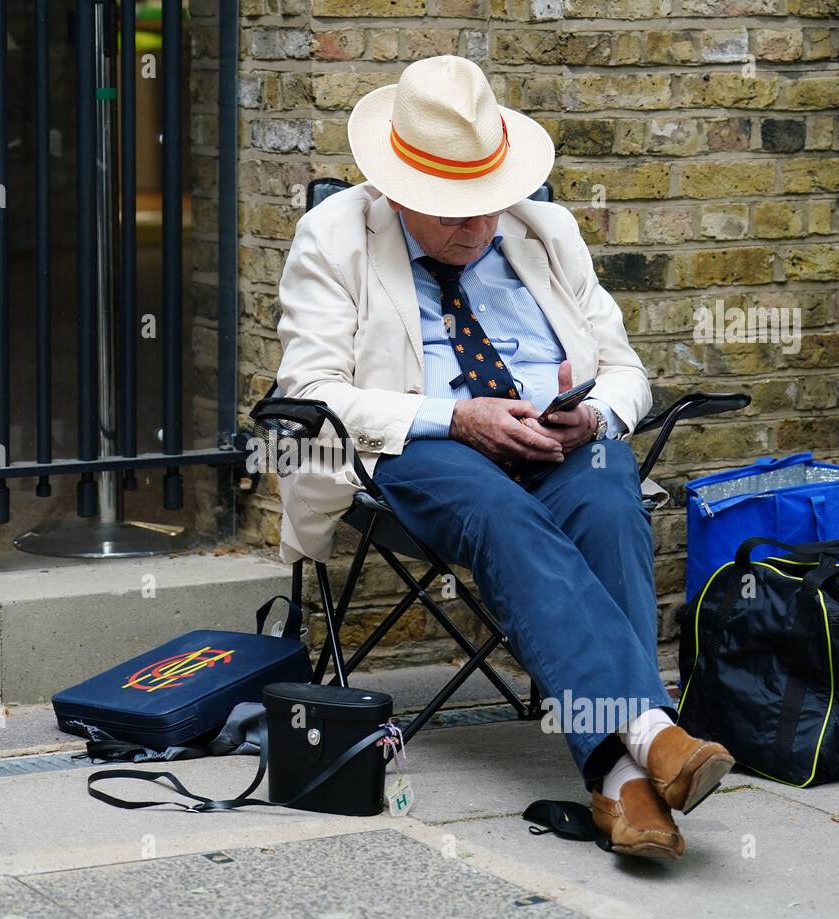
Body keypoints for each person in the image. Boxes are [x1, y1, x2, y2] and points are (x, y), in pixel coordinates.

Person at [274, 54, 733, 860]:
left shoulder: (545, 229)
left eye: (488, 204)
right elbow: (310, 391)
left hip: (556, 441)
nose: (479, 226)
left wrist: (592, 414)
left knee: (606, 494)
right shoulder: (335, 235)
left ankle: (625, 790)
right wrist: (457, 417)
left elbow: (628, 370)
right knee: (499, 510)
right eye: (454, 211)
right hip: (421, 448)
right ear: (398, 189)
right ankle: (651, 733)